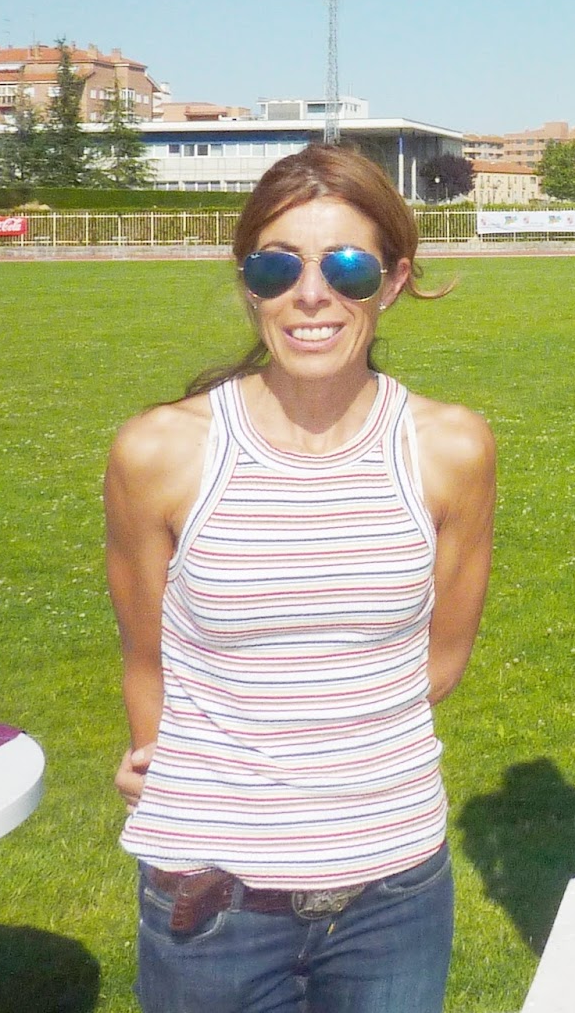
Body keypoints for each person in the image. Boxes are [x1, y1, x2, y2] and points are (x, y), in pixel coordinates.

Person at [105, 144, 496, 1013]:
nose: (310, 294)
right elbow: (145, 658)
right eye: (277, 266)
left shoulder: (450, 449)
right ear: (249, 284)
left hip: (395, 893)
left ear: (392, 281)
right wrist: (169, 763)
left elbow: (441, 660)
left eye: (346, 267)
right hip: (209, 899)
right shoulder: (159, 451)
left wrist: (323, 763)